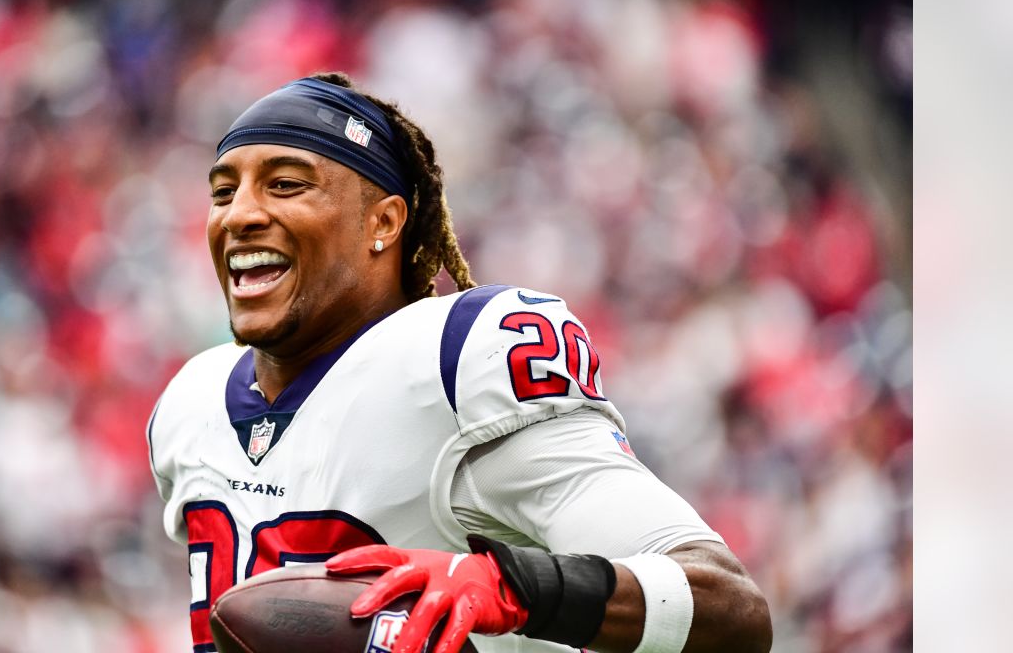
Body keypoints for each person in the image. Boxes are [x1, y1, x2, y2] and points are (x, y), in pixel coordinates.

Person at [146, 73, 771, 653]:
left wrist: (513, 587)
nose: (241, 215)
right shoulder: (190, 403)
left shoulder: (458, 360)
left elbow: (730, 609)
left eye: (286, 184)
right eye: (223, 192)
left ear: (383, 221)